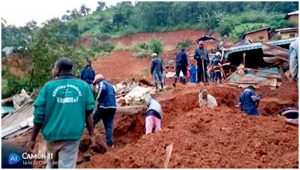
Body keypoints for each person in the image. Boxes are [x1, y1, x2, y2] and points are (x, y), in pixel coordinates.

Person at [29, 57, 96, 168]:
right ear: (72, 69)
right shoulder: (83, 86)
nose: (52, 70)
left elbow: (38, 115)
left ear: (58, 69)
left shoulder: (48, 87)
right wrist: (92, 135)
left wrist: (32, 139)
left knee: (52, 165)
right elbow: (89, 113)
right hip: (72, 135)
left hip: (51, 135)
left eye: (54, 68)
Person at [93, 74, 117, 149]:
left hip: (104, 106)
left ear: (98, 80)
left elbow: (102, 89)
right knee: (108, 126)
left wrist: (98, 100)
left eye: (96, 83)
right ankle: (110, 144)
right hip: (112, 107)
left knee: (92, 121)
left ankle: (86, 135)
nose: (96, 85)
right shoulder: (111, 86)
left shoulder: (102, 83)